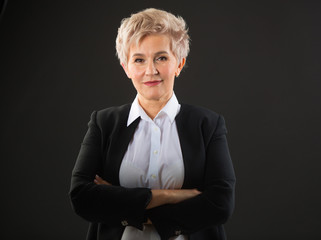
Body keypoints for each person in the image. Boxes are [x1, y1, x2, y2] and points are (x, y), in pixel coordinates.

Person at [69, 8, 235, 240]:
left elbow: (220, 204)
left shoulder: (208, 124)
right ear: (126, 68)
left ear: (179, 63)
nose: (151, 70)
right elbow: (82, 198)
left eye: (161, 57)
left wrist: (121, 201)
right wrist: (170, 196)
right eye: (139, 60)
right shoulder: (103, 123)